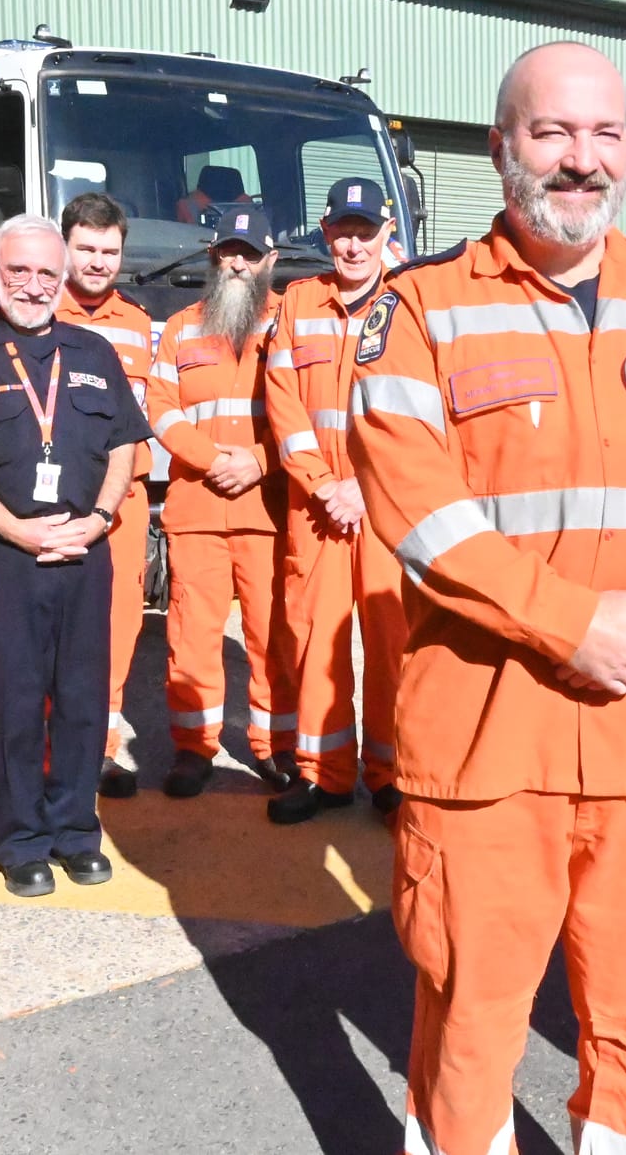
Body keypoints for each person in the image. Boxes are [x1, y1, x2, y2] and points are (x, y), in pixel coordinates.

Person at [347, 41, 626, 1154]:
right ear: (502, 149)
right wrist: (570, 623)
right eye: (551, 133)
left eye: (604, 135)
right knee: (468, 1023)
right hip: (489, 742)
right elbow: (418, 509)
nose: (579, 160)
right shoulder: (420, 310)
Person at [0, 216, 148, 897]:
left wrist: (98, 519)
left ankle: (75, 829)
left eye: (45, 274)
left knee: (86, 699)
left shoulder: (93, 351)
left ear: (62, 280)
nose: (33, 286)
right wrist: (18, 529)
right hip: (4, 555)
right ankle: (19, 837)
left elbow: (123, 442)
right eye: (19, 271)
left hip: (86, 552)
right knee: (14, 700)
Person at [262, 176, 407, 824]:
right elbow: (284, 401)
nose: (353, 245)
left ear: (387, 236)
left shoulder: (410, 303)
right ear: (326, 233)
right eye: (342, 231)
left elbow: (415, 411)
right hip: (317, 506)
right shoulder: (298, 302)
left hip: (386, 506)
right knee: (316, 640)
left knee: (391, 639)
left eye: (365, 231)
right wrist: (324, 483)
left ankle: (392, 774)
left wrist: (364, 487)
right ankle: (323, 773)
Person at [147, 207, 296, 799]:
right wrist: (215, 461)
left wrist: (259, 461)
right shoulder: (182, 326)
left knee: (271, 639)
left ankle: (274, 747)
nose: (238, 262)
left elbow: (306, 410)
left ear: (270, 261)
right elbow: (161, 406)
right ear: (213, 255)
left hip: (267, 512)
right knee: (191, 637)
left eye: (250, 253)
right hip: (197, 508)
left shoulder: (291, 322)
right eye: (229, 251)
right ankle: (194, 748)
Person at [55, 192, 151, 799]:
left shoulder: (138, 323)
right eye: (86, 249)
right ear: (64, 246)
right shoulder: (40, 311)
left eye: (108, 251)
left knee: (117, 629)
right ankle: (50, 749)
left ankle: (105, 747)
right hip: (59, 498)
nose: (97, 261)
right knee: (54, 630)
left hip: (126, 501)